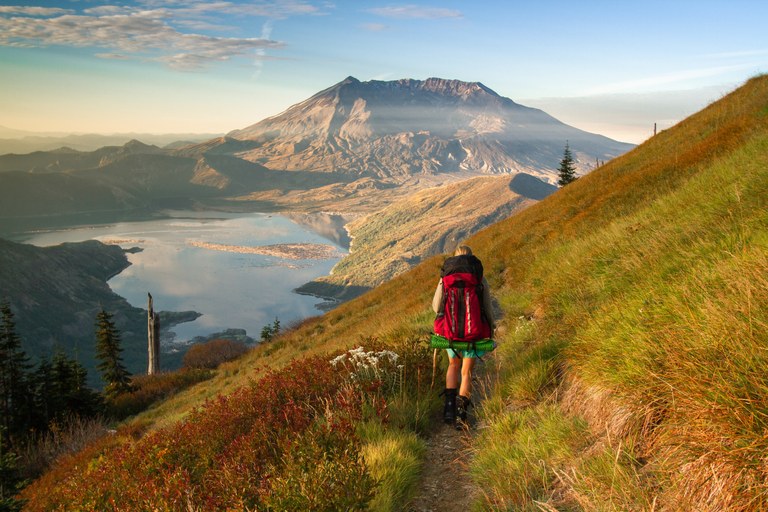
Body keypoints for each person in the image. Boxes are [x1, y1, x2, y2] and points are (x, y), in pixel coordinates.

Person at [432, 245, 495, 425]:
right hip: (473, 332)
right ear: (471, 258)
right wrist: (491, 327)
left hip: (450, 331)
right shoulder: (479, 277)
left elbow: (436, 306)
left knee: (453, 365)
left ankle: (449, 410)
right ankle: (461, 415)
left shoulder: (445, 278)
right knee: (466, 372)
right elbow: (487, 306)